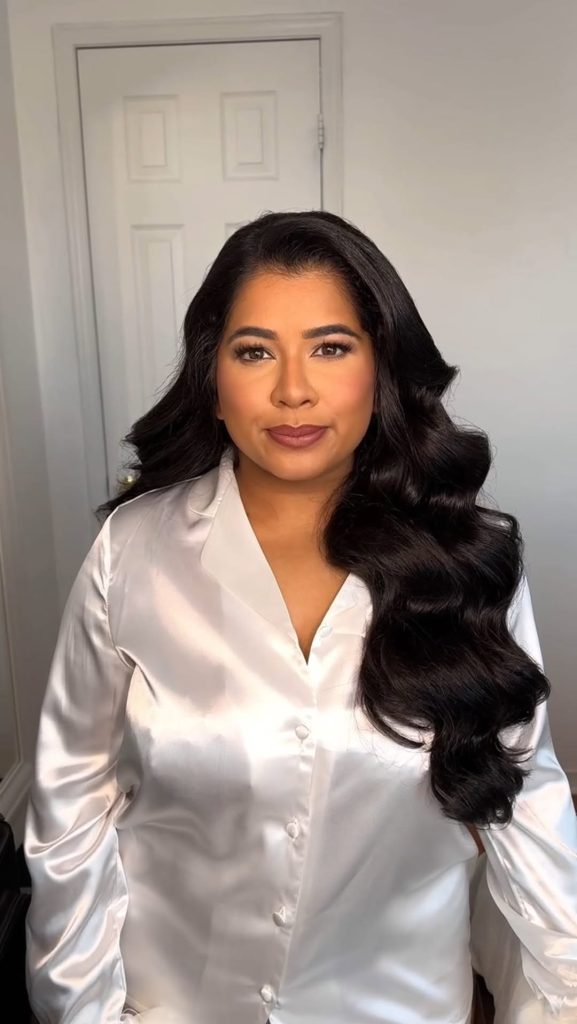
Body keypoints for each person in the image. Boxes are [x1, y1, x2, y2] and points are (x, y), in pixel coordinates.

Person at [24, 210, 577, 1024]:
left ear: (381, 367)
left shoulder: (469, 558)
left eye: (330, 347)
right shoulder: (131, 552)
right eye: (255, 351)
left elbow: (524, 798)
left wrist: (562, 994)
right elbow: (71, 800)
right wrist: (82, 1008)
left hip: (402, 1006)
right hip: (172, 1001)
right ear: (211, 378)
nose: (292, 390)